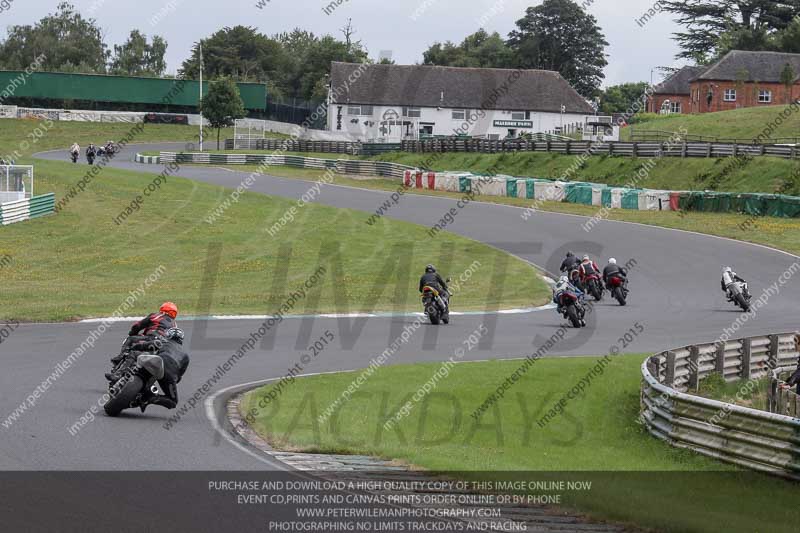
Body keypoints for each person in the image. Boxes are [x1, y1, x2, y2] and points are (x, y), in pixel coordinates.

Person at [109, 302, 178, 369]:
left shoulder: (156, 316)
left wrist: (132, 333)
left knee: (130, 339)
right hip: (163, 347)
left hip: (151, 338)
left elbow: (138, 325)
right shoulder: (175, 325)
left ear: (163, 309)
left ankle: (120, 357)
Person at [140, 327, 190, 412]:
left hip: (157, 361)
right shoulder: (185, 355)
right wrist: (171, 381)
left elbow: (149, 345)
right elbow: (179, 376)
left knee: (136, 356)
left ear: (168, 336)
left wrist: (138, 347)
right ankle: (149, 398)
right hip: (170, 374)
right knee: (172, 402)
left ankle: (119, 375)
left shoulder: (164, 341)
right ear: (181, 339)